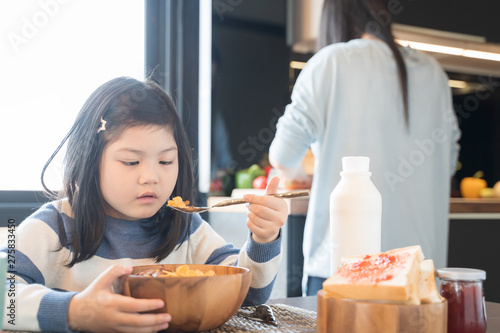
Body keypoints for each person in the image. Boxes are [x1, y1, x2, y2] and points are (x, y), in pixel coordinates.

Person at [1, 77, 288, 332]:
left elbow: (247, 296)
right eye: (131, 162)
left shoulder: (184, 227)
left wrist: (263, 237)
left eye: (165, 161)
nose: (151, 177)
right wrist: (76, 311)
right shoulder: (55, 225)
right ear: (90, 160)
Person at [269, 0, 461, 296]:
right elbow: (447, 165)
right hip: (419, 276)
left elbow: (282, 156)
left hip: (342, 272)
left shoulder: (330, 62)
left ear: (335, 16)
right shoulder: (434, 72)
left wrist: (303, 177)